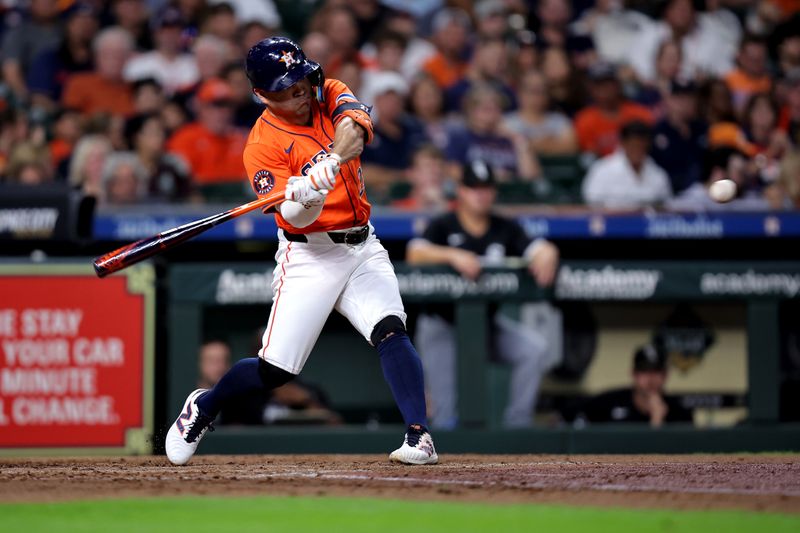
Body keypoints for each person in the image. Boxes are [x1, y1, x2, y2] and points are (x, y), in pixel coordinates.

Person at [165, 36, 438, 466]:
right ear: (261, 95)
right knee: (277, 369)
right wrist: (307, 191)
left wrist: (326, 164)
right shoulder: (261, 145)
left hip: (362, 245)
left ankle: (418, 435)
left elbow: (354, 132)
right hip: (308, 255)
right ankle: (205, 404)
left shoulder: (328, 90)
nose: (298, 92)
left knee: (390, 328)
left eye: (300, 82)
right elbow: (297, 218)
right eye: (285, 88)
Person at [406, 160, 560, 429]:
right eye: (473, 187)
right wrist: (453, 255)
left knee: (533, 349)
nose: (480, 194)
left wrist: (548, 252)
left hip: (487, 326)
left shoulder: (505, 227)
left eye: (486, 188)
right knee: (445, 412)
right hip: (442, 326)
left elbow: (537, 248)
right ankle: (441, 463)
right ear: (461, 191)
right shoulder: (444, 224)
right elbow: (415, 252)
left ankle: (518, 427)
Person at [573, 344, 693, 428]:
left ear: (665, 375)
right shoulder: (610, 401)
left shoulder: (680, 411)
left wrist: (657, 420)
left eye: (656, 371)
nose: (650, 379)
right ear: (633, 374)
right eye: (644, 371)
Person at [582, 121, 672, 210]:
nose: (637, 151)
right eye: (633, 146)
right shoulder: (602, 169)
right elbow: (592, 204)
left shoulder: (658, 174)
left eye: (641, 147)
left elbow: (665, 207)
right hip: (613, 222)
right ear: (623, 143)